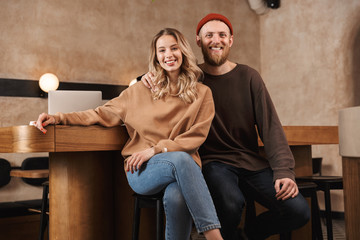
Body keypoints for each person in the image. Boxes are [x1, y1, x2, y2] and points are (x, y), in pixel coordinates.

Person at [34, 28, 224, 240]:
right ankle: (214, 237)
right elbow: (100, 113)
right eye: (161, 50)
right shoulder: (139, 90)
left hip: (180, 167)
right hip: (142, 170)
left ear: (184, 51)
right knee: (181, 159)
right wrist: (59, 117)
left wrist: (154, 150)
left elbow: (196, 137)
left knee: (177, 194)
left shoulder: (202, 93)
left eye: (174, 48)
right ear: (156, 57)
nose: (168, 55)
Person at [141, 14, 310, 240]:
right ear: (199, 41)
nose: (216, 40)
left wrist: (284, 171)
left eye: (222, 35)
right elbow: (161, 75)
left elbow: (271, 128)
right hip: (213, 164)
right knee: (231, 204)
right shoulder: (190, 78)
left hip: (251, 163)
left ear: (231, 40)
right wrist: (143, 78)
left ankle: (251, 233)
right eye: (208, 35)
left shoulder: (250, 77)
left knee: (298, 211)